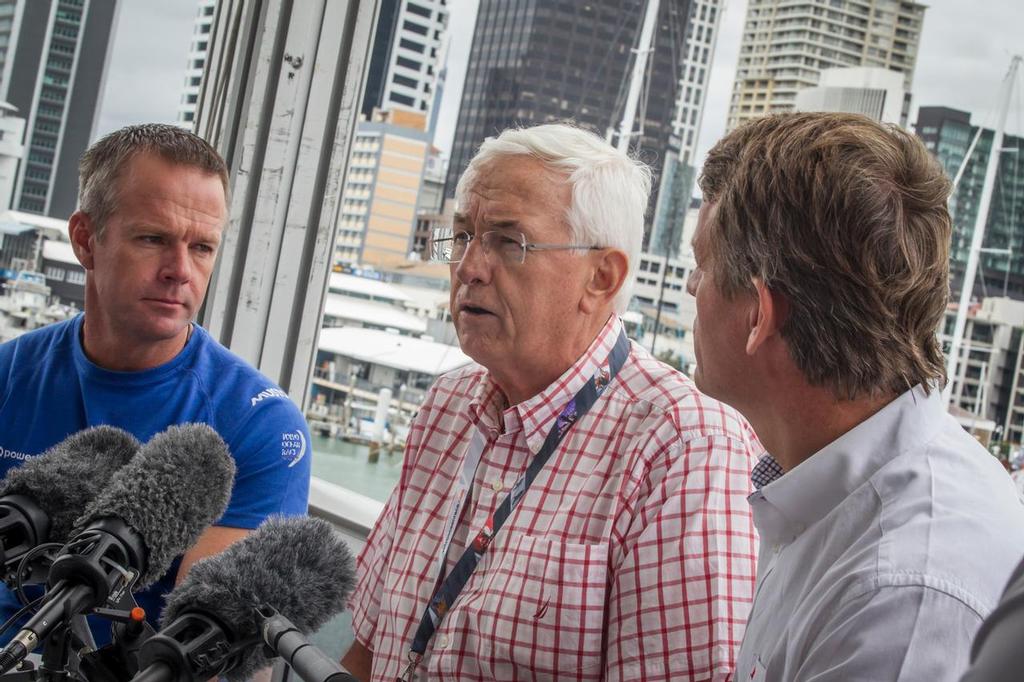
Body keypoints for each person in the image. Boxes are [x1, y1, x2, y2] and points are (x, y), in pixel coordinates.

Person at [343, 123, 760, 681]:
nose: (468, 268)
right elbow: (371, 647)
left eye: (507, 242)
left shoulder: (685, 450)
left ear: (602, 277)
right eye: (463, 235)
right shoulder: (446, 407)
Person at [686, 111, 1024, 681]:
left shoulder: (899, 597)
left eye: (701, 265)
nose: (691, 286)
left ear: (757, 315)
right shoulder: (826, 484)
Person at [0, 124, 311, 637]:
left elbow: (209, 660)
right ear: (85, 239)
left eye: (203, 248)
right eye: (153, 239)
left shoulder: (257, 426)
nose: (180, 270)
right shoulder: (12, 377)